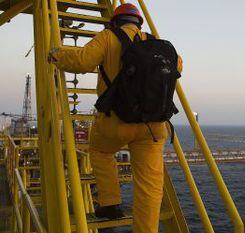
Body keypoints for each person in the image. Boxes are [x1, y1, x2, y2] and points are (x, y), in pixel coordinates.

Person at [49, 3, 182, 233]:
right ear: (139, 22)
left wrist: (56, 55)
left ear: (115, 21)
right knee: (149, 186)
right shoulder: (155, 42)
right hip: (153, 125)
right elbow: (177, 65)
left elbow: (82, 61)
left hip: (117, 121)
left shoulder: (108, 37)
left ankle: (110, 203)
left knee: (101, 152)